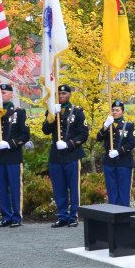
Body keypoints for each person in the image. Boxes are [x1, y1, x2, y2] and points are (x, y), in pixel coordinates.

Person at [42, 84, 89, 228]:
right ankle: (62, 215)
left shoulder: (77, 112)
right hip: (56, 156)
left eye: (64, 93)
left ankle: (73, 215)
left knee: (73, 187)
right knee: (59, 187)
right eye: (59, 94)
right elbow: (45, 130)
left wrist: (69, 144)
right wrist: (51, 117)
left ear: (69, 94)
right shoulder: (52, 110)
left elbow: (84, 134)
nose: (61, 96)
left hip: (72, 155)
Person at [0, 84, 30, 228]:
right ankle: (5, 216)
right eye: (0, 93)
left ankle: (16, 217)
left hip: (13, 156)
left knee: (14, 188)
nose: (2, 95)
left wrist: (10, 144)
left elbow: (25, 135)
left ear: (11, 95)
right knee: (1, 188)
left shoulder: (19, 113)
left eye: (5, 93)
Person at [96, 99, 135, 207]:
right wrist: (105, 125)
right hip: (109, 162)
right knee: (111, 191)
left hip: (124, 163)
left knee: (123, 192)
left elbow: (132, 143)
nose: (114, 112)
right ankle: (113, 215)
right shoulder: (108, 124)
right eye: (113, 110)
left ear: (122, 111)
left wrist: (118, 152)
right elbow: (99, 138)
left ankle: (124, 217)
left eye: (117, 110)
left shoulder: (128, 125)